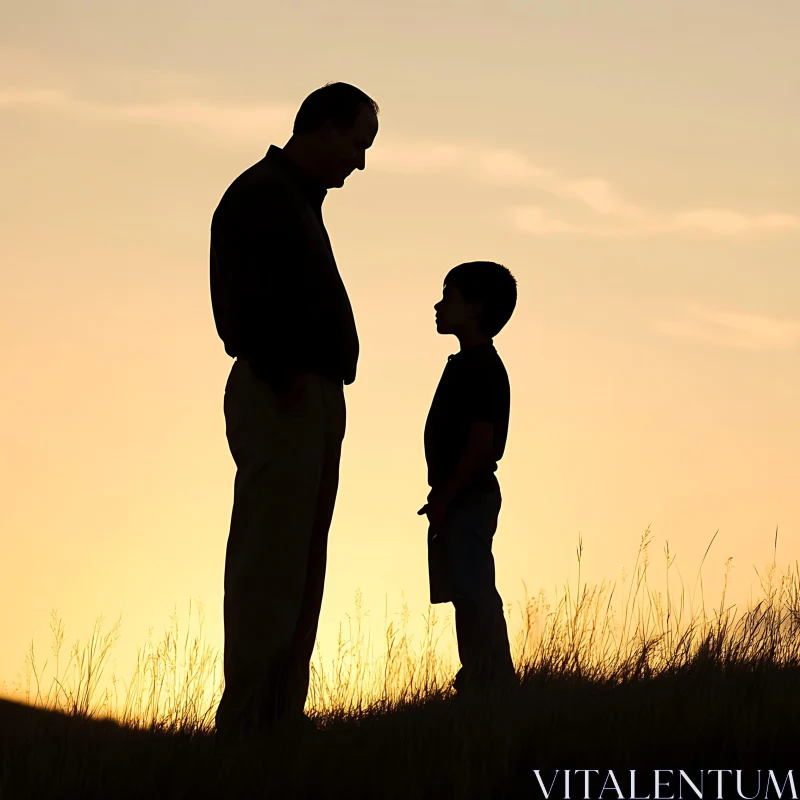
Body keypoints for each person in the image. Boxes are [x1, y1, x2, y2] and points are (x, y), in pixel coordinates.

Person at [209, 82, 379, 740]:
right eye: (358, 144)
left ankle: (277, 718)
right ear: (324, 128)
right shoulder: (262, 195)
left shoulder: (291, 199)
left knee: (300, 564)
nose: (360, 163)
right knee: (270, 564)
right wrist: (286, 379)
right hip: (285, 394)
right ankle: (250, 723)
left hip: (307, 395)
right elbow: (240, 305)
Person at [421, 261, 518, 699]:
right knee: (464, 587)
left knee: (473, 587)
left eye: (449, 296)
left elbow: (482, 445)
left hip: (469, 496)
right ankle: (479, 676)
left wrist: (446, 494)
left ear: (476, 308)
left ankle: (492, 676)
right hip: (459, 495)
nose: (439, 305)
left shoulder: (482, 368)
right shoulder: (467, 364)